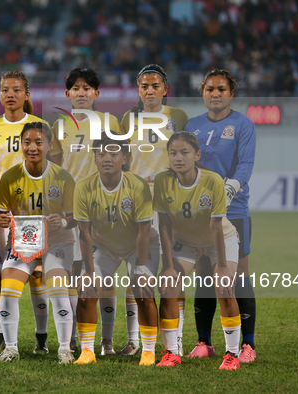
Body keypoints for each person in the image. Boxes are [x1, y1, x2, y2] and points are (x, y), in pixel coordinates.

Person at [0, 71, 57, 353]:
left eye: (16, 89)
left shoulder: (41, 126)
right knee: (0, 274)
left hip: (33, 214)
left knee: (36, 277)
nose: (10, 94)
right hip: (2, 214)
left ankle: (41, 338)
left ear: (27, 95)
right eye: (4, 89)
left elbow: (52, 171)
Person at [185, 69, 256, 363]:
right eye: (210, 89)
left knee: (236, 276)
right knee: (203, 275)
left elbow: (246, 164)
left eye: (221, 89)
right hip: (199, 213)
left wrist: (228, 190)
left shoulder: (243, 123)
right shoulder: (193, 124)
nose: (215, 94)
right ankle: (204, 342)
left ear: (231, 93)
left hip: (234, 210)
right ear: (202, 91)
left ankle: (247, 345)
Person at [153, 131, 241, 370]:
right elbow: (164, 225)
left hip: (220, 240)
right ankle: (171, 353)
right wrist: (168, 266)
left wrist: (222, 266)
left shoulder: (212, 180)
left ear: (197, 155)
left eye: (185, 152)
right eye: (173, 153)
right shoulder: (162, 181)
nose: (178, 158)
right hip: (186, 242)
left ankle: (232, 354)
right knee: (169, 286)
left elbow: (215, 227)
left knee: (223, 286)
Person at [118, 64, 189, 356]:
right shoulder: (128, 119)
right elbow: (124, 159)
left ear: (165, 90)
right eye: (144, 86)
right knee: (136, 270)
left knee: (173, 274)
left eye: (155, 85)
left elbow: (185, 155)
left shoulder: (178, 117)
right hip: (137, 204)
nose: (149, 90)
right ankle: (134, 340)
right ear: (138, 90)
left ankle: (177, 340)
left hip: (170, 203)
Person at [50, 68, 121, 354]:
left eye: (87, 88)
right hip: (70, 209)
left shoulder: (110, 122)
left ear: (96, 94)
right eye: (76, 88)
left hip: (101, 207)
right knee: (74, 272)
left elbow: (117, 162)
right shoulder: (58, 125)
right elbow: (54, 168)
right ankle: (80, 336)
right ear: (67, 94)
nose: (81, 93)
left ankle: (107, 340)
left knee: (103, 275)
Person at [73, 135, 158, 366]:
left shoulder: (137, 185)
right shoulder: (83, 186)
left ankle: (148, 351)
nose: (107, 159)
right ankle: (88, 351)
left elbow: (143, 232)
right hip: (104, 245)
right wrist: (89, 272)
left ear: (125, 158)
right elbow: (85, 233)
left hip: (138, 245)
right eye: (101, 154)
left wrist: (140, 270)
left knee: (143, 290)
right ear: (95, 158)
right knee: (86, 289)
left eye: (113, 154)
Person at [0, 122, 76, 364]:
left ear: (50, 146)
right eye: (28, 142)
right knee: (8, 291)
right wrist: (1, 219)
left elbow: (75, 220)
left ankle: (64, 349)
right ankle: (11, 348)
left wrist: (61, 223)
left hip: (57, 241)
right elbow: (2, 215)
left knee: (58, 291)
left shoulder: (63, 177)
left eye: (39, 142)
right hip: (24, 243)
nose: (33, 147)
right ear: (21, 145)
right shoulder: (10, 177)